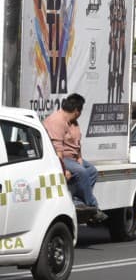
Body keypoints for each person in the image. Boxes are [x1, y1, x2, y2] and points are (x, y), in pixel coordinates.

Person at [43, 93, 106, 223]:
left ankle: (78, 200)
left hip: (72, 157)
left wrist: (80, 159)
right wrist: (64, 169)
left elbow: (77, 144)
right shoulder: (57, 121)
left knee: (91, 171)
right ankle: (93, 206)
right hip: (59, 158)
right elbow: (58, 149)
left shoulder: (74, 123)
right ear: (77, 111)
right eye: (81, 110)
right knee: (81, 172)